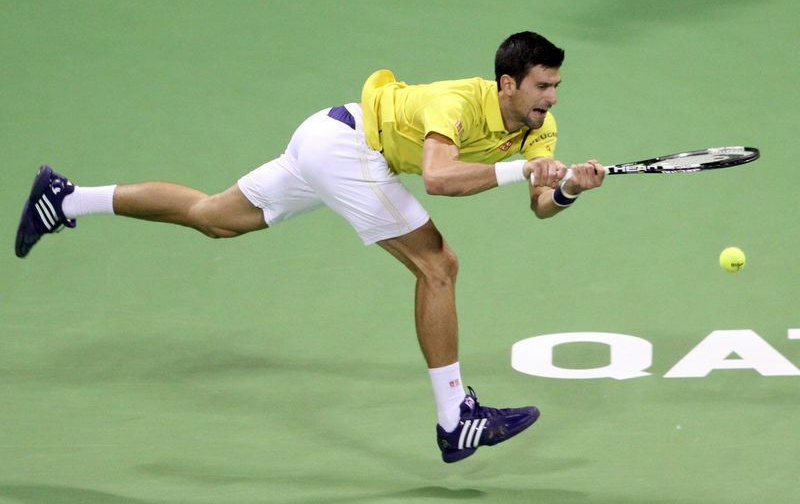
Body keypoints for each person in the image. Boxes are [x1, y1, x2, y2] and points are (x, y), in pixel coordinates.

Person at [15, 31, 605, 463]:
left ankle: (64, 199)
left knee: (216, 218)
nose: (551, 96)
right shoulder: (453, 104)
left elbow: (542, 205)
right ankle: (456, 419)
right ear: (508, 83)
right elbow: (439, 179)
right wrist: (518, 174)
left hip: (326, 138)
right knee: (438, 266)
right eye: (542, 85)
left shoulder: (537, 128)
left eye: (556, 86)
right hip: (346, 147)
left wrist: (570, 187)